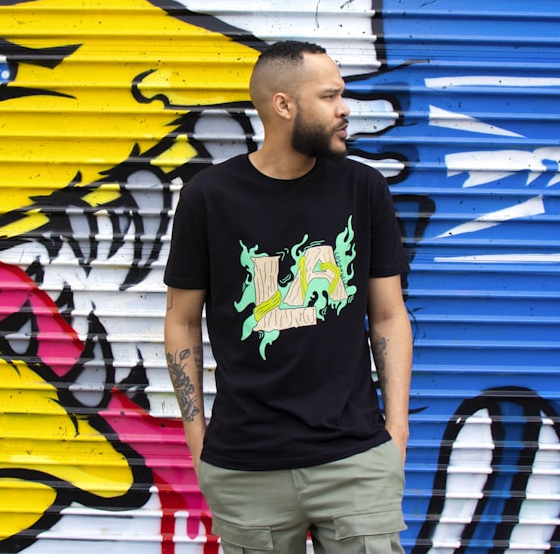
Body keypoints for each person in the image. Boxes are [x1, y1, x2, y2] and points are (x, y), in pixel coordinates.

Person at [163, 40, 413, 554]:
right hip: (247, 465)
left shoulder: (363, 189)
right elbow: (181, 321)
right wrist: (198, 442)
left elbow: (388, 316)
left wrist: (396, 432)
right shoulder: (209, 197)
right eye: (330, 96)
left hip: (355, 459)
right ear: (283, 105)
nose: (345, 109)